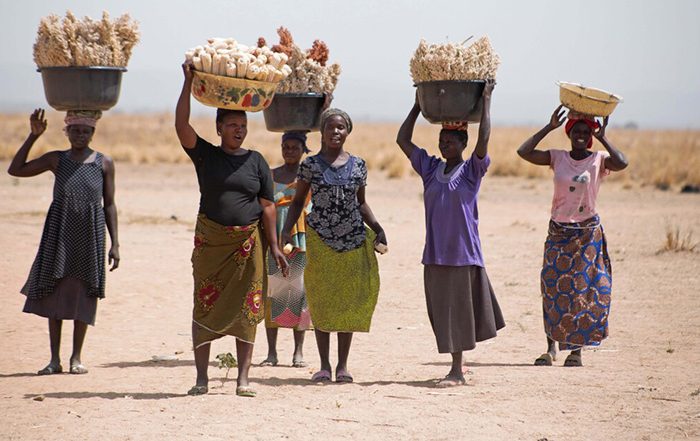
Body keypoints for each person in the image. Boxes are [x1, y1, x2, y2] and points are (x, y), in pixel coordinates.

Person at [175, 60, 288, 397]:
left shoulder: (256, 162)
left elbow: (268, 206)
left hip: (248, 246)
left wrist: (276, 246)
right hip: (211, 245)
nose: (239, 131)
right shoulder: (205, 156)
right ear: (219, 127)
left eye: (243, 125)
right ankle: (201, 379)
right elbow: (181, 124)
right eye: (232, 125)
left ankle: (243, 379)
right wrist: (187, 83)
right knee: (203, 304)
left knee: (248, 308)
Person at [395, 80, 505, 387]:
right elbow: (402, 140)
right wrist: (418, 105)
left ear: (463, 144)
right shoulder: (431, 169)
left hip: (462, 252)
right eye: (442, 140)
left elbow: (484, 138)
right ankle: (457, 366)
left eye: (452, 141)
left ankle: (457, 369)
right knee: (441, 311)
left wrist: (486, 103)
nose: (445, 145)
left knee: (458, 310)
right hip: (435, 252)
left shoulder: (471, 171)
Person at [8, 108, 119, 376]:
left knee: (85, 292)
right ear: (66, 132)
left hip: (90, 235)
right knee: (54, 291)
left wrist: (116, 243)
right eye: (75, 130)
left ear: (93, 133)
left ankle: (76, 358)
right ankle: (54, 359)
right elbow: (16, 169)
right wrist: (33, 137)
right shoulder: (57, 160)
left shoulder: (104, 163)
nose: (80, 135)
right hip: (59, 233)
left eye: (85, 131)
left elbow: (110, 204)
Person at [517, 105, 628, 367]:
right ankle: (550, 348)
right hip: (558, 231)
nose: (580, 135)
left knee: (581, 290)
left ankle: (576, 351)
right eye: (576, 131)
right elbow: (523, 152)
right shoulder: (557, 157)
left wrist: (603, 137)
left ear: (590, 135)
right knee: (552, 286)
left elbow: (622, 162)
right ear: (568, 133)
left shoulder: (599, 160)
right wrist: (549, 126)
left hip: (586, 234)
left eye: (585, 131)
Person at [281, 108, 386, 383]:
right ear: (322, 132)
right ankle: (325, 365)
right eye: (331, 127)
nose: (335, 132)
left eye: (341, 127)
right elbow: (297, 202)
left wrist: (378, 228)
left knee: (347, 302)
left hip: (352, 240)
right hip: (320, 240)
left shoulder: (359, 165)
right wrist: (285, 231)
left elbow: (361, 203)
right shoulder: (310, 166)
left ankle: (342, 366)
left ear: (347, 131)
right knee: (322, 301)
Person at [260, 131, 313, 368]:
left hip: (300, 240)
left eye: (294, 147)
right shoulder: (271, 176)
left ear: (304, 150)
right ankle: (271, 352)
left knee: (298, 294)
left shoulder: (309, 176)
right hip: (275, 241)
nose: (289, 151)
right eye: (286, 147)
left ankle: (298, 352)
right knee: (274, 292)